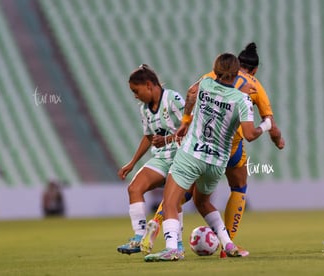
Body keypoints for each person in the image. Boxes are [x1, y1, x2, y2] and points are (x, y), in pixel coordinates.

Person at [140, 43, 284, 256]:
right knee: (212, 198)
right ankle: (229, 244)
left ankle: (171, 246)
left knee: (173, 200)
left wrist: (185, 121)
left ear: (216, 71)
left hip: (192, 153)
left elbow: (190, 93)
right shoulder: (245, 97)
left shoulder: (206, 82)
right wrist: (270, 128)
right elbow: (251, 134)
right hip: (220, 159)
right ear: (248, 71)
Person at [116, 64, 187, 255]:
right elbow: (148, 137)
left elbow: (190, 126)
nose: (135, 96)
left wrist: (167, 139)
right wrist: (132, 163)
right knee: (134, 188)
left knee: (172, 200)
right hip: (162, 159)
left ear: (148, 85)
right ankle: (139, 237)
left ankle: (177, 245)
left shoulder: (173, 99)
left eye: (136, 91)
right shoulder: (145, 109)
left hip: (181, 158)